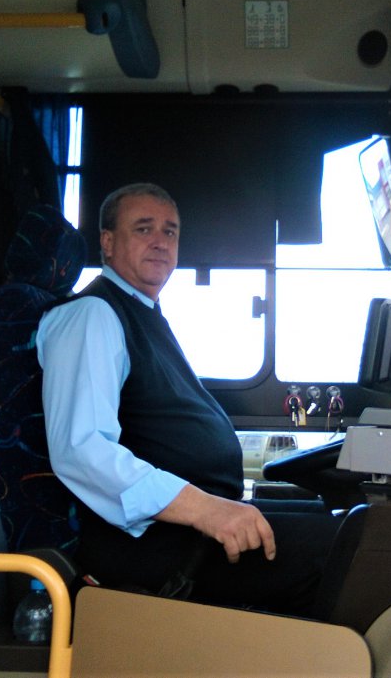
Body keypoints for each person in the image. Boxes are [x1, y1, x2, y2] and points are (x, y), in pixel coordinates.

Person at [36, 182, 342, 617]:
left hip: (186, 528)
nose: (161, 241)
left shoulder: (144, 312)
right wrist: (206, 510)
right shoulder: (92, 315)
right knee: (344, 550)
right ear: (108, 242)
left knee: (341, 522)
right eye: (143, 229)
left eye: (170, 231)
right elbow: (82, 449)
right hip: (149, 543)